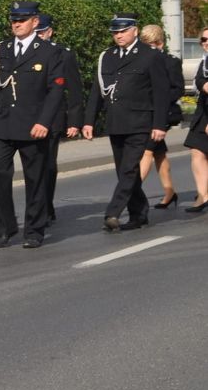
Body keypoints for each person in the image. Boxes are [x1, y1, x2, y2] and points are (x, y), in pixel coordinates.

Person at [0, 0, 64, 249]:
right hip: (2, 124)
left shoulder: (48, 52)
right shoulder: (1, 49)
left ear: (35, 22)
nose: (16, 24)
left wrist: (44, 122)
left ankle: (34, 229)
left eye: (22, 20)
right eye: (13, 20)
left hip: (32, 125)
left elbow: (55, 90)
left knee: (35, 179)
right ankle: (6, 227)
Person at [83, 13, 170, 232]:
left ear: (134, 30)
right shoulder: (108, 56)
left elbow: (161, 93)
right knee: (124, 171)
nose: (119, 36)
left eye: (123, 31)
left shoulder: (150, 56)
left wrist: (159, 124)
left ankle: (113, 212)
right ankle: (139, 213)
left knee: (130, 169)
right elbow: (97, 90)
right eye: (115, 32)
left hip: (141, 122)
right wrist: (89, 121)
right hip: (116, 121)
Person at [35, 13, 84, 224]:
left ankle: (45, 206)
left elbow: (74, 90)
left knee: (47, 164)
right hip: (27, 116)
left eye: (40, 33)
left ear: (49, 32)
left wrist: (74, 121)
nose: (36, 37)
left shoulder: (63, 54)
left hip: (53, 118)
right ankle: (37, 206)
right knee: (33, 165)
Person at [136, 24, 183, 208]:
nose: (148, 49)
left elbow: (177, 88)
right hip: (145, 113)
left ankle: (129, 192)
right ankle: (169, 191)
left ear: (160, 43)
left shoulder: (170, 62)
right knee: (159, 153)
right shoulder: (142, 60)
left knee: (147, 151)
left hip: (163, 115)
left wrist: (159, 102)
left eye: (151, 45)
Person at [184, 28, 208, 214]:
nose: (206, 42)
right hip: (203, 112)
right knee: (197, 152)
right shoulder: (204, 62)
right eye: (203, 39)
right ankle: (202, 195)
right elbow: (200, 82)